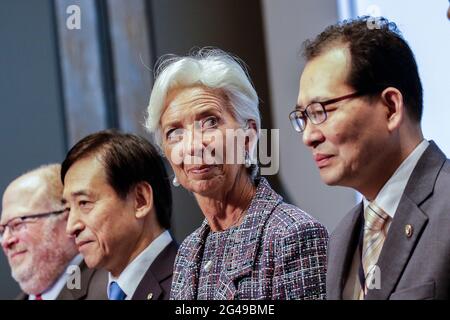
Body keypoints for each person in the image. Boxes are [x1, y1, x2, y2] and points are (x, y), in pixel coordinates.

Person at [146, 48, 328, 300]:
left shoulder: (294, 234)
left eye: (210, 122)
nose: (192, 146)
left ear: (248, 135)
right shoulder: (187, 252)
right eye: (174, 132)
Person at [290, 16, 450, 299]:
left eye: (321, 111)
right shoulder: (341, 238)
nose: (308, 136)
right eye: (304, 117)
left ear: (390, 108)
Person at [61, 130, 177, 300]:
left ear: (140, 200)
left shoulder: (194, 286)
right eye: (68, 209)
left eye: (84, 203)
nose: (71, 228)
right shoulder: (83, 294)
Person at [1, 164, 107, 300]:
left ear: (67, 218)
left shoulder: (111, 289)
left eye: (17, 224)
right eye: (2, 230)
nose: (5, 241)